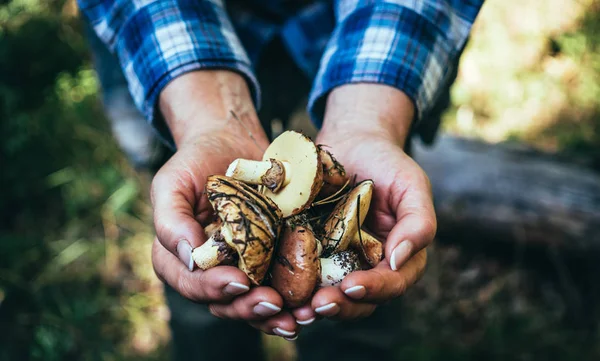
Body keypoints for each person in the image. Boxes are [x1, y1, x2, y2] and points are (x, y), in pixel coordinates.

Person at [78, 1, 483, 360]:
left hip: (349, 42)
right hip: (175, 54)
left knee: (358, 307)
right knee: (198, 275)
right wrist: (207, 118)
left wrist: (368, 118)